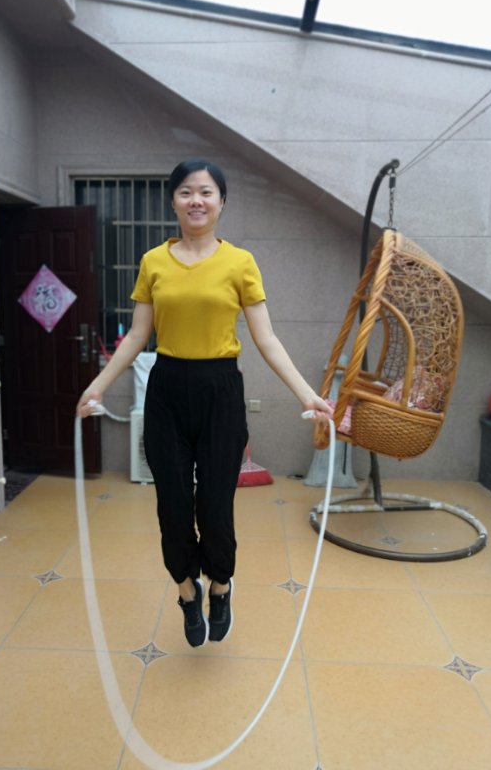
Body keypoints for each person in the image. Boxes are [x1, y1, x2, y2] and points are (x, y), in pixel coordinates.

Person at [77, 158, 333, 649]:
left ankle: (220, 585)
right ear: (173, 201)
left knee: (215, 506)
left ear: (221, 202)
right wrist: (98, 386)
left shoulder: (240, 263)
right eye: (186, 192)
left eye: (206, 192)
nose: (196, 200)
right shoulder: (154, 262)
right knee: (172, 506)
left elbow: (267, 339)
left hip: (220, 391)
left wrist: (307, 394)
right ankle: (186, 591)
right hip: (168, 389)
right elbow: (137, 335)